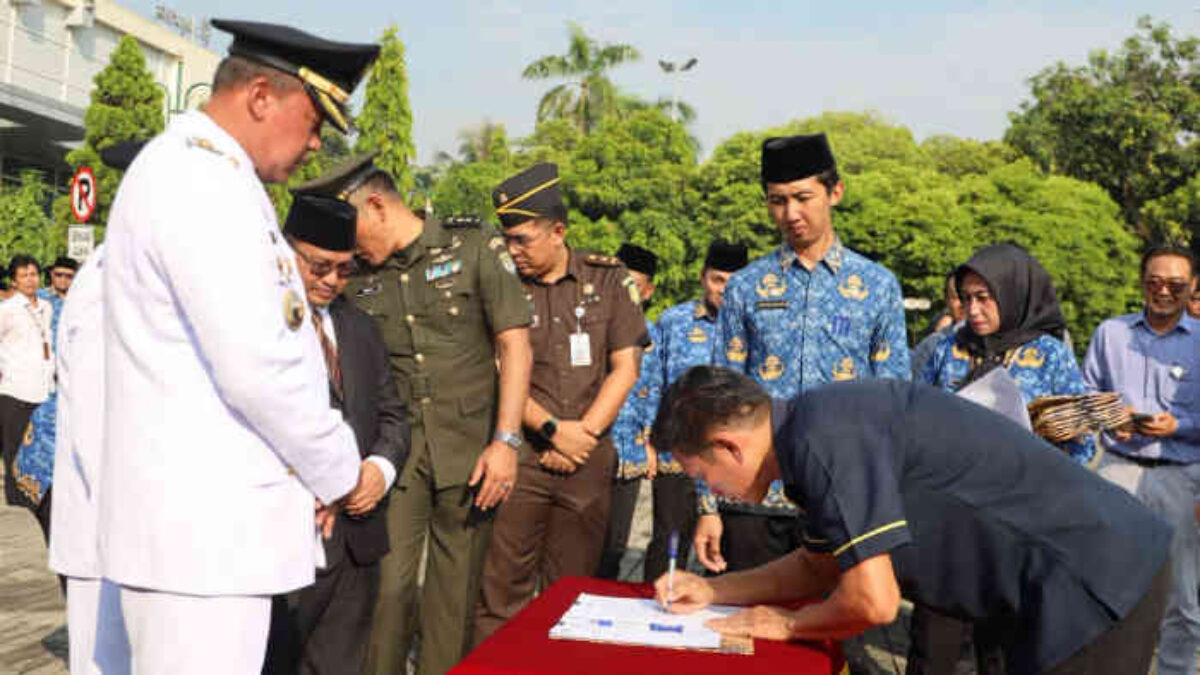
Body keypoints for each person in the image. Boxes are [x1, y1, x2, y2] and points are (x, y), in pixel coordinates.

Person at [98, 20, 379, 673]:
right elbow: (265, 369)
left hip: (205, 531)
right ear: (260, 96)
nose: (315, 145)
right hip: (204, 537)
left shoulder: (204, 175)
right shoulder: (203, 183)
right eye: (314, 123)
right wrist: (339, 469)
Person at [652, 366, 1171, 675]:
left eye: (703, 475)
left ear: (728, 445)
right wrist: (714, 591)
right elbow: (817, 568)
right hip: (1062, 581)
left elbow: (873, 602)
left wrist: (784, 625)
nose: (710, 491)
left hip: (1092, 579)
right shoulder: (811, 431)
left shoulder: (823, 437)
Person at [297, 152, 533, 675]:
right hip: (396, 454)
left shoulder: (473, 247)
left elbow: (515, 344)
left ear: (377, 206)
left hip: (471, 450)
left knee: (452, 597)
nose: (350, 254)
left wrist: (507, 442)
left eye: (355, 237)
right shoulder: (357, 275)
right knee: (386, 590)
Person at [699, 133, 911, 575]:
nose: (790, 214)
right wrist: (708, 505)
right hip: (756, 498)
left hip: (842, 498)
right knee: (747, 629)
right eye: (777, 201)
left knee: (833, 635)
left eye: (802, 197)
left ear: (835, 193)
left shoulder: (877, 286)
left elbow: (894, 401)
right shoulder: (745, 287)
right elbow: (716, 399)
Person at [474, 162, 648, 643]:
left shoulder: (609, 279)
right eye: (507, 239)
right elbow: (498, 366)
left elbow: (626, 367)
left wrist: (584, 435)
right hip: (522, 456)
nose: (513, 250)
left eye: (523, 239)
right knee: (500, 592)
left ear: (558, 232)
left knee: (573, 599)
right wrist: (553, 430)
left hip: (588, 460)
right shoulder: (503, 284)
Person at [910, 243, 1094, 675]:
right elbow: (911, 417)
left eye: (984, 298)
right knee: (931, 649)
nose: (972, 310)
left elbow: (1080, 446)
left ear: (1013, 294)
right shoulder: (945, 348)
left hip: (1015, 529)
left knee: (1002, 656)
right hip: (947, 525)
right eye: (966, 298)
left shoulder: (1049, 355)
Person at [262, 194, 410, 674]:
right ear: (287, 253)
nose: (331, 281)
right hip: (288, 534)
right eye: (319, 267)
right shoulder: (257, 325)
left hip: (357, 539)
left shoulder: (360, 325)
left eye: (345, 270)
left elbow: (393, 416)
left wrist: (377, 472)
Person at [48, 138, 144, 675]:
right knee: (103, 663)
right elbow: (91, 418)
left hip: (129, 525)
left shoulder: (135, 273)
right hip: (103, 521)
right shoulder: (104, 283)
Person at [1082, 245, 1200, 675]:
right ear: (1141, 281)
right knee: (1104, 580)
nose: (1163, 291)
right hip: (1117, 469)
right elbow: (1086, 393)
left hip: (1181, 477)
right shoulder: (1110, 334)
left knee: (1182, 597)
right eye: (1155, 281)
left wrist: (1180, 425)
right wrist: (1112, 418)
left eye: (1175, 284)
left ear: (1192, 288)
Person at [639, 239, 748, 581]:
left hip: (735, 463)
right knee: (668, 545)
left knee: (727, 552)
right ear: (703, 278)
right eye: (718, 280)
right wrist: (646, 438)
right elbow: (652, 383)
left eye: (734, 283)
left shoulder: (755, 326)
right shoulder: (673, 322)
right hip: (678, 459)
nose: (724, 290)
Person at [597, 242, 658, 580]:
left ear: (648, 291)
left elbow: (658, 393)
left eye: (634, 285)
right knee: (576, 545)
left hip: (630, 456)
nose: (626, 293)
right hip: (587, 451)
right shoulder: (588, 330)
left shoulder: (655, 338)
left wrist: (651, 441)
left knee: (614, 548)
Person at [1, 254, 54, 536]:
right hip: (15, 390)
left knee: (41, 450)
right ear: (14, 280)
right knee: (16, 453)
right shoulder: (7, 309)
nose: (31, 280)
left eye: (34, 274)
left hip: (44, 390)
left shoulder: (46, 306)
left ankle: (41, 495)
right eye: (24, 275)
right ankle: (22, 501)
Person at [909, 271, 964, 377]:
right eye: (957, 297)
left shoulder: (1000, 343)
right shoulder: (933, 345)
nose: (964, 304)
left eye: (979, 297)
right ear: (947, 301)